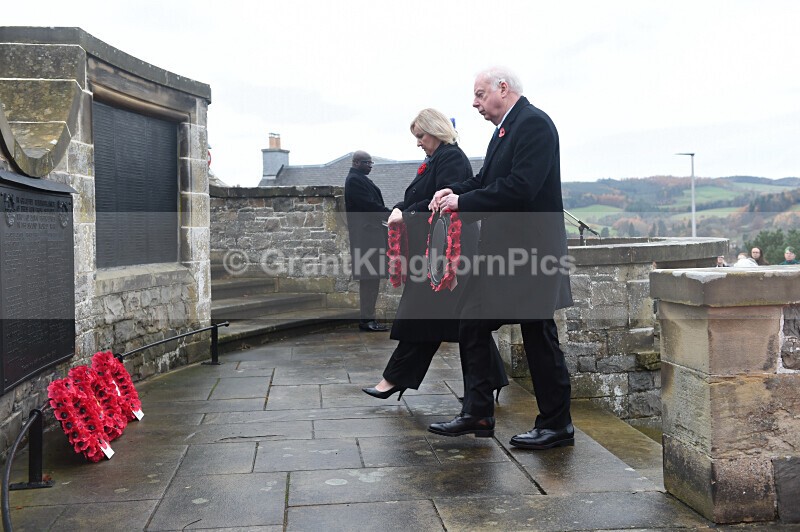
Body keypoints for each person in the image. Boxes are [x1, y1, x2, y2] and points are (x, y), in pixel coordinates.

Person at [427, 67, 574, 449]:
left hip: (532, 252)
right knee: (471, 320)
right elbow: (486, 183)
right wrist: (451, 192)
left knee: (539, 335)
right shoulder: (505, 131)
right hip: (507, 253)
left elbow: (521, 189)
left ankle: (557, 424)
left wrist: (463, 202)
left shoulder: (535, 125)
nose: (474, 104)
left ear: (502, 89)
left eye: (479, 94)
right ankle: (477, 412)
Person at [362, 109, 508, 401]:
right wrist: (400, 208)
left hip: (447, 255)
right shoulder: (437, 160)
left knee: (423, 313)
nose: (418, 143)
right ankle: (491, 379)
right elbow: (422, 198)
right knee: (458, 320)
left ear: (436, 131)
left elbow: (443, 204)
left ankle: (394, 379)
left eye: (421, 136)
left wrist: (406, 213)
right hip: (437, 252)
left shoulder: (451, 158)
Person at [344, 151, 390, 332]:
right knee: (369, 280)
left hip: (369, 236)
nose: (370, 166)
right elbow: (369, 206)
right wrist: (392, 214)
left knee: (372, 279)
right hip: (366, 238)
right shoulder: (355, 180)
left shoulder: (359, 179)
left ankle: (369, 318)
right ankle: (366, 320)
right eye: (367, 163)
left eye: (371, 163)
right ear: (356, 163)